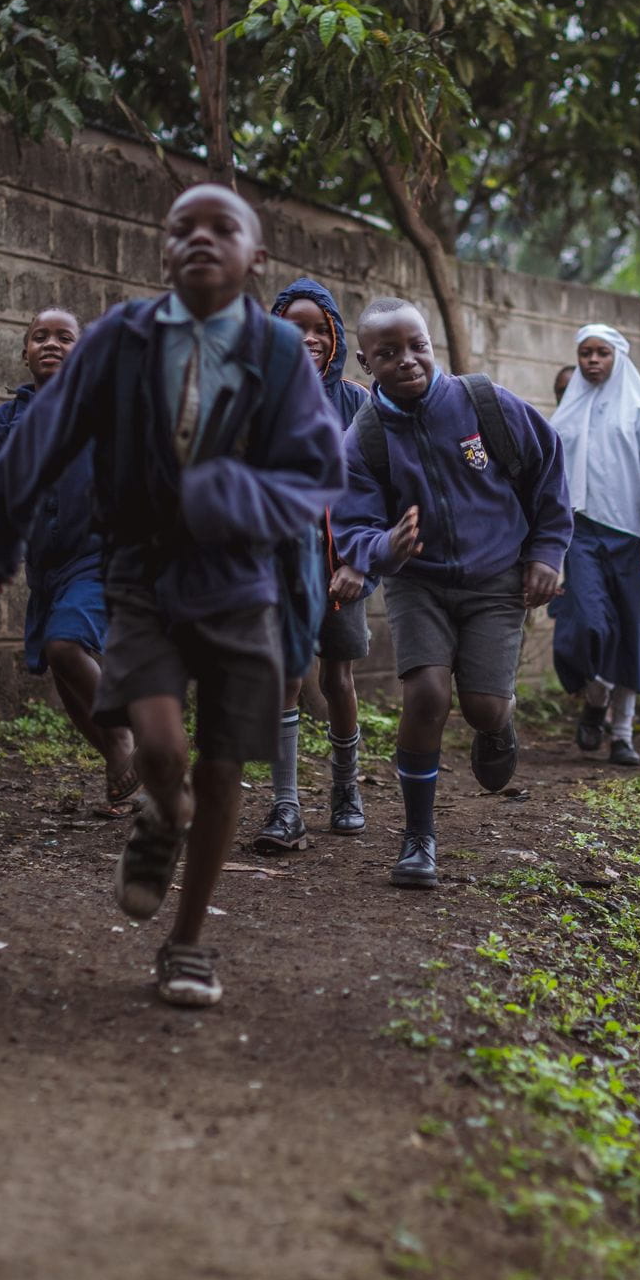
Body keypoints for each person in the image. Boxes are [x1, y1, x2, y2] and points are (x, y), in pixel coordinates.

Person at [0, 185, 343, 1009]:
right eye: (184, 229)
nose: (201, 240)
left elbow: (318, 475)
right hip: (140, 573)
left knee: (220, 767)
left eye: (223, 229)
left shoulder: (279, 352)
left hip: (243, 581)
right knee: (164, 752)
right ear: (163, 250)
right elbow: (48, 430)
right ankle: (158, 811)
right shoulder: (121, 340)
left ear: (257, 257)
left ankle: (188, 942)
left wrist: (232, 498)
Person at [333, 299, 571, 890]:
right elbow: (351, 526)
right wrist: (385, 546)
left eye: (417, 346)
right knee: (427, 694)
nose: (407, 361)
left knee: (483, 705)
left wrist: (547, 553)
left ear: (431, 344)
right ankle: (419, 837)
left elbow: (548, 473)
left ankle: (497, 726)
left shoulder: (485, 403)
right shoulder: (363, 437)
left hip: (496, 580)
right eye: (387, 354)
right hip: (420, 582)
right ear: (366, 362)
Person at [0, 307, 136, 811]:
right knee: (65, 678)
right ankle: (125, 772)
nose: (52, 345)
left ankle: (124, 733)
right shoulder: (5, 422)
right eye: (40, 337)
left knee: (64, 646)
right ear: (25, 352)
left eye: (65, 337)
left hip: (97, 556)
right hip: (46, 567)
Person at [253, 277, 374, 853]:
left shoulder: (357, 402)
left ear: (335, 335)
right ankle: (285, 806)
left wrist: (361, 560)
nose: (306, 338)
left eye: (317, 329)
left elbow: (381, 487)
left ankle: (346, 791)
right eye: (292, 327)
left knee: (337, 676)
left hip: (341, 563)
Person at [548, 323, 640, 765]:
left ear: (618, 356)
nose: (593, 361)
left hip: (636, 539)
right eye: (586, 353)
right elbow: (548, 477)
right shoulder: (565, 415)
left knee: (634, 630)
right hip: (581, 534)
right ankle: (596, 696)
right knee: (589, 623)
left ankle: (622, 733)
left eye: (601, 352)